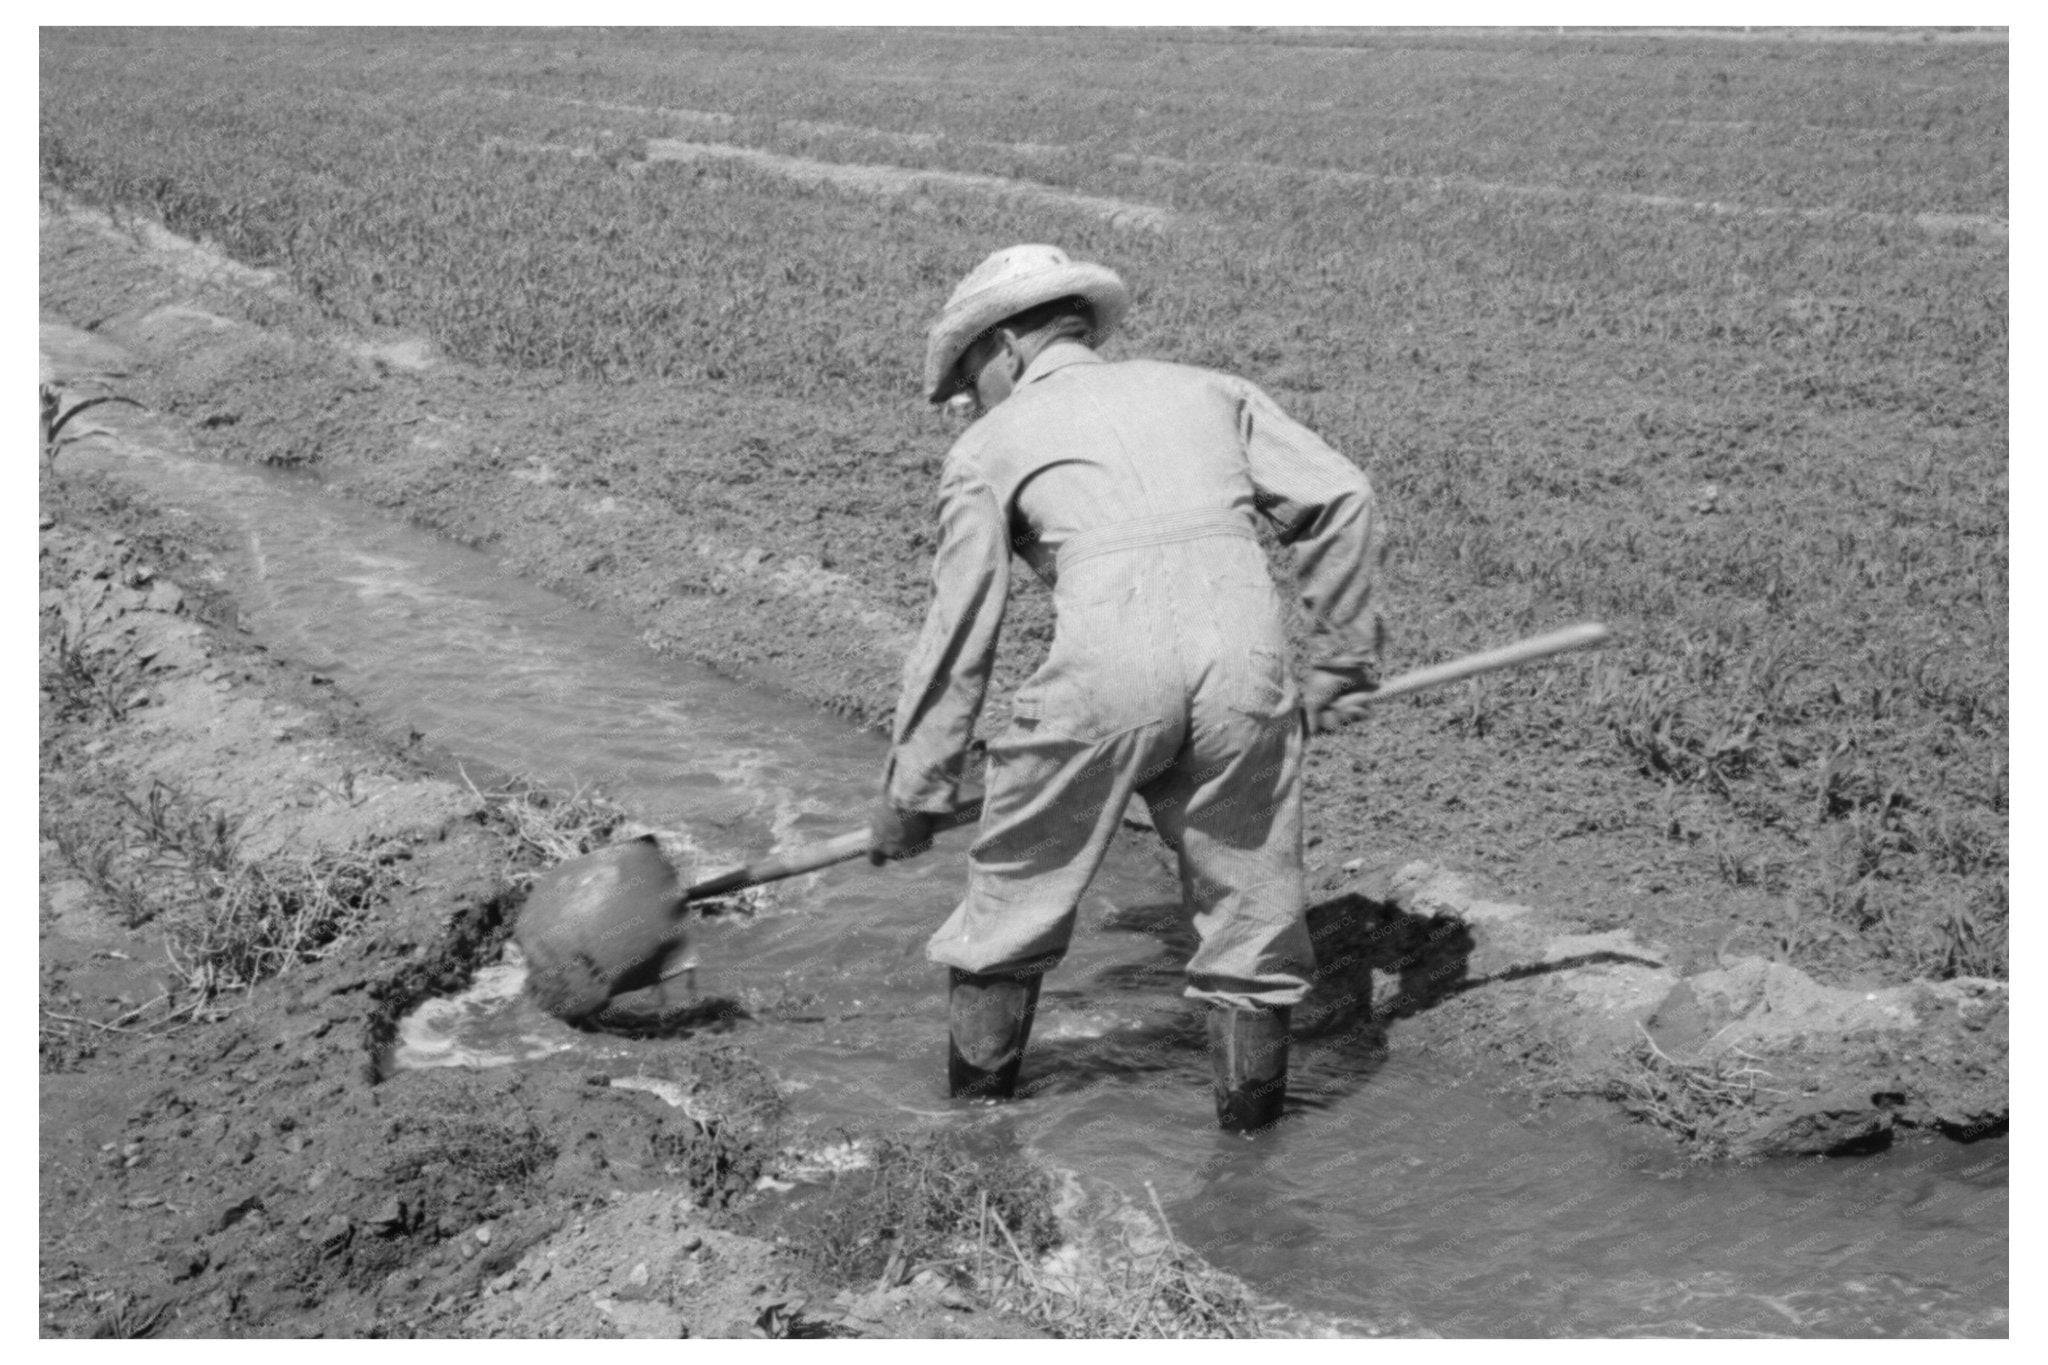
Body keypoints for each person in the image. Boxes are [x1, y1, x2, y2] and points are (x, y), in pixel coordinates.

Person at [869, 244, 1384, 1132]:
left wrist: (915, 789)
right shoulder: (1210, 391)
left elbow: (959, 633)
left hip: (1104, 680)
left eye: (967, 378)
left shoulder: (988, 446)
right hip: (1244, 673)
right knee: (1253, 921)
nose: (966, 402)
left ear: (1005, 348)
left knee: (1012, 900)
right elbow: (1342, 496)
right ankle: (1249, 1166)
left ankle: (974, 1147)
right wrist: (1339, 657)